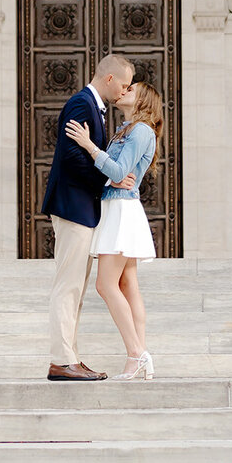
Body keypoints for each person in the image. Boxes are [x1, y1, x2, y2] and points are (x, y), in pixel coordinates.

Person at [42, 53, 136, 382]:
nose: (124, 91)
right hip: (73, 206)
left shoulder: (94, 108)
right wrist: (108, 179)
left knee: (75, 289)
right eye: (123, 85)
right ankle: (61, 360)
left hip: (82, 207)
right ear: (109, 79)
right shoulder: (81, 105)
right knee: (68, 287)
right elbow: (71, 159)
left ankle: (70, 357)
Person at [64, 81, 162, 381]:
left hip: (121, 211)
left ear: (143, 100)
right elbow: (115, 175)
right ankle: (139, 355)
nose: (124, 91)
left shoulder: (141, 131)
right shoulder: (127, 130)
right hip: (118, 207)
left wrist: (88, 144)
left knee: (106, 286)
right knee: (128, 284)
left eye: (131, 89)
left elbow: (120, 172)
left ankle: (136, 353)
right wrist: (109, 177)